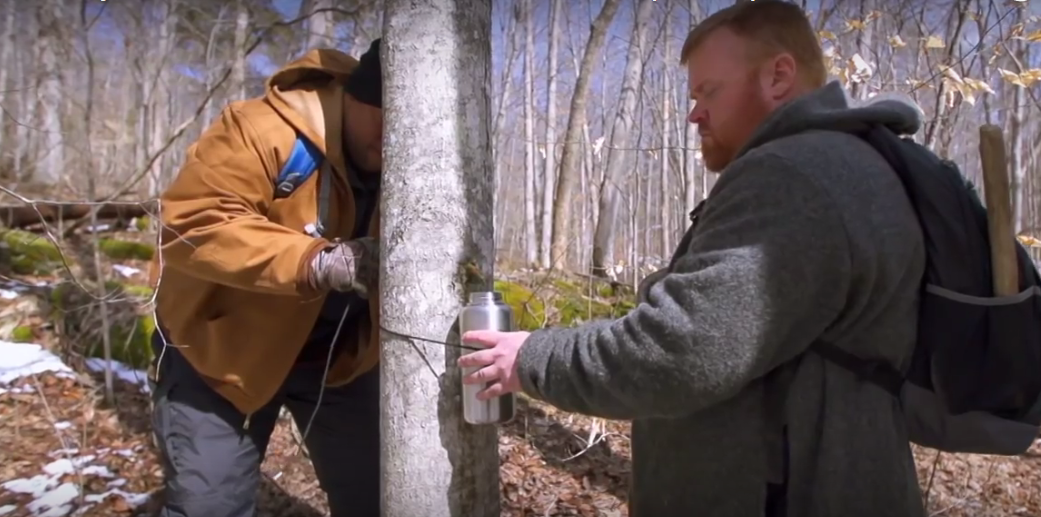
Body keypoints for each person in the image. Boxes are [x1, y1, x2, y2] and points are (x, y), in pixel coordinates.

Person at [459, 2, 929, 516]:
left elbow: (679, 351)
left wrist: (529, 359)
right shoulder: (845, 162)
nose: (694, 112)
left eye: (709, 91)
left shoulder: (794, 178)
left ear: (778, 76)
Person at [146, 39, 385, 517]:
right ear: (355, 96)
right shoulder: (264, 128)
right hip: (221, 354)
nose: (397, 141)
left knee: (380, 497)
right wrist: (317, 262)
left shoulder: (427, 161)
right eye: (386, 120)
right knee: (209, 506)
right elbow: (193, 224)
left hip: (339, 359)